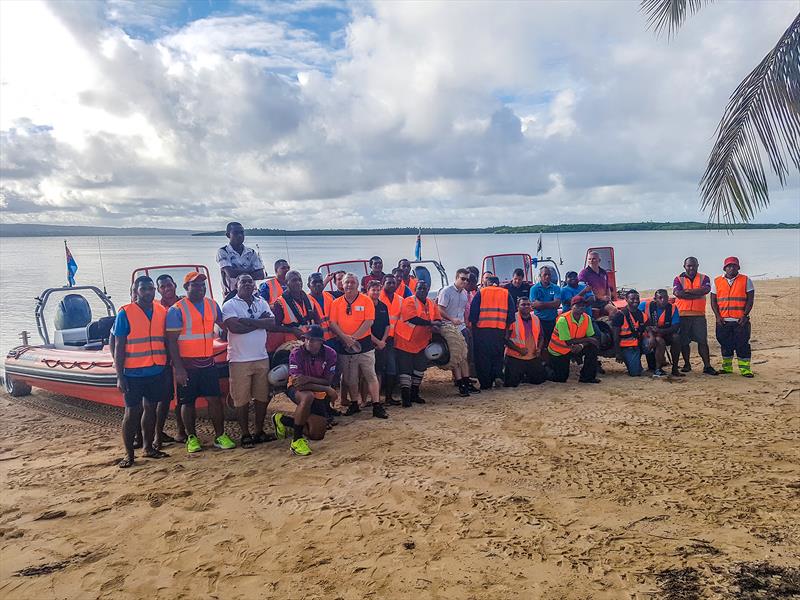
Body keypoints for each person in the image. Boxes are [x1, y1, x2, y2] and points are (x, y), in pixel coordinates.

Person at [166, 272, 236, 453]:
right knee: (187, 403)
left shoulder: (212, 305)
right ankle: (191, 437)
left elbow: (224, 326)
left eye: (202, 285)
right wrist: (179, 369)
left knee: (214, 400)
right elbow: (171, 341)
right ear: (186, 288)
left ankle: (220, 435)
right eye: (195, 285)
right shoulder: (177, 309)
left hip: (208, 363)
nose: (200, 288)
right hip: (187, 365)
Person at [112, 275, 171, 468]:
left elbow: (166, 340)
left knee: (151, 410)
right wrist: (119, 375)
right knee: (132, 412)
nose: (148, 292)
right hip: (133, 373)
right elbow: (119, 346)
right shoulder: (125, 313)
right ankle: (129, 454)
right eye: (143, 289)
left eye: (151, 288)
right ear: (135, 291)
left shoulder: (162, 310)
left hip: (156, 370)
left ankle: (148, 447)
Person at [221, 274, 276, 448]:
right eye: (242, 281)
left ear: (254, 285)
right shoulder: (229, 305)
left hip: (261, 357)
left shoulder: (261, 302)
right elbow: (234, 327)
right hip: (239, 359)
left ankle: (259, 431)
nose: (246, 284)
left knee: (261, 397)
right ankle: (245, 433)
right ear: (236, 285)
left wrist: (248, 321)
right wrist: (260, 322)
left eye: (250, 281)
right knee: (241, 399)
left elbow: (272, 323)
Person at [272, 325, 338, 456]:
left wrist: (308, 379)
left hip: (317, 391)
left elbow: (328, 380)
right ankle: (296, 441)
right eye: (306, 339)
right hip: (296, 389)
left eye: (313, 340)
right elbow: (299, 384)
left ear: (321, 342)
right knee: (307, 397)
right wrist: (327, 389)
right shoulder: (296, 353)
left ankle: (283, 420)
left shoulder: (330, 354)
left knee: (317, 434)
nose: (308, 342)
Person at [328, 273, 387, 418]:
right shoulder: (336, 303)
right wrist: (345, 338)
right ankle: (354, 403)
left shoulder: (366, 300)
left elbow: (369, 321)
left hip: (365, 345)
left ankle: (376, 405)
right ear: (342, 284)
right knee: (350, 379)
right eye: (347, 282)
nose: (349, 285)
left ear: (357, 284)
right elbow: (332, 323)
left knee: (370, 375)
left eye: (352, 282)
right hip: (345, 346)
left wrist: (353, 337)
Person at [394, 280, 441, 407]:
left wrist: (437, 325)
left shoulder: (431, 303)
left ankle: (415, 394)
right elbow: (412, 318)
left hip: (422, 342)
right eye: (419, 288)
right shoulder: (409, 301)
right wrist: (431, 324)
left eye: (424, 288)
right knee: (405, 370)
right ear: (415, 289)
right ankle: (406, 398)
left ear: (428, 289)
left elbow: (437, 318)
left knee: (419, 368)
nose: (422, 290)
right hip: (405, 340)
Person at [469, 276, 515, 390]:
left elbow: (473, 314)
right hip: (499, 330)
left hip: (482, 332)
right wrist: (506, 331)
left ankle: (486, 383)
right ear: (498, 283)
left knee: (482, 358)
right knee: (497, 355)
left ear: (487, 283)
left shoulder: (481, 293)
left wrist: (474, 328)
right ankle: (497, 376)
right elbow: (511, 315)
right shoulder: (506, 294)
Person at [711, 257, 755, 377]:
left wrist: (745, 315)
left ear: (738, 267)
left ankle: (745, 370)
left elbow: (750, 300)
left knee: (742, 345)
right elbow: (713, 301)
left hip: (740, 321)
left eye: (734, 266)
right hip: (723, 321)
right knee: (725, 344)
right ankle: (727, 368)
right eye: (729, 266)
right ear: (725, 268)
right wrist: (717, 317)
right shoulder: (716, 281)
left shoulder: (746, 280)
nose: (731, 268)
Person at [673, 257, 717, 375]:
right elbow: (677, 293)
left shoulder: (704, 278)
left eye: (693, 265)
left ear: (698, 265)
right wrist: (697, 292)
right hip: (682, 315)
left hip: (699, 316)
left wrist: (686, 292)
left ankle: (707, 366)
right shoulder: (678, 279)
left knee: (702, 341)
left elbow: (706, 290)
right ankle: (687, 364)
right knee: (684, 342)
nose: (691, 268)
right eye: (689, 266)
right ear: (684, 266)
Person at [155, 273, 185, 444]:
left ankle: (182, 431)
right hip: (164, 357)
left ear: (175, 284)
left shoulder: (184, 304)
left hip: (184, 354)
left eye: (169, 285)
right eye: (163, 286)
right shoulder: (157, 308)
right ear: (158, 290)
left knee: (181, 396)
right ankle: (158, 434)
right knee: (164, 398)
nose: (167, 289)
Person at [437, 268, 476, 396]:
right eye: (462, 279)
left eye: (467, 279)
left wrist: (465, 324)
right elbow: (440, 309)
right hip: (448, 326)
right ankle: (460, 383)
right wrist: (451, 319)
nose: (464, 281)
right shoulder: (446, 291)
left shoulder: (464, 293)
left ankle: (466, 381)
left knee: (464, 355)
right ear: (456, 277)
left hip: (461, 326)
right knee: (455, 356)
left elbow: (464, 311)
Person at [548, 296, 600, 383]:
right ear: (572, 307)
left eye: (583, 305)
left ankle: (587, 377)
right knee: (560, 378)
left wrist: (581, 345)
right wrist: (588, 339)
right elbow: (567, 341)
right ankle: (547, 367)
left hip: (575, 347)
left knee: (592, 348)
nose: (581, 307)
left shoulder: (587, 318)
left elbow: (592, 337)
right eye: (578, 305)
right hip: (559, 350)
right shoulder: (563, 319)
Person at [269, 270, 320, 353]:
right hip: (291, 346)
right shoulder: (280, 303)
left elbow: (317, 320)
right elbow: (274, 327)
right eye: (294, 280)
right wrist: (292, 330)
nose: (298, 283)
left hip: (310, 344)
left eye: (300, 280)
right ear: (286, 283)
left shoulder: (309, 299)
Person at [216, 222, 265, 299]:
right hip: (232, 294)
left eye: (242, 233)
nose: (240, 235)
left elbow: (261, 275)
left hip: (252, 294)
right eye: (235, 233)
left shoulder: (251, 252)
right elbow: (231, 273)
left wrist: (238, 272)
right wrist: (251, 270)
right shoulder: (223, 251)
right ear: (228, 235)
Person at [504, 297, 546, 387]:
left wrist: (539, 348)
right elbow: (505, 339)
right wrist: (519, 350)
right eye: (523, 304)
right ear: (517, 306)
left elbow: (541, 336)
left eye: (528, 304)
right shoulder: (512, 319)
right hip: (515, 357)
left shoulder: (536, 318)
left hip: (532, 356)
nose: (526, 306)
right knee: (511, 384)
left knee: (539, 380)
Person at [640, 289, 682, 378]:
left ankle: (675, 368)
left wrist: (661, 331)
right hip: (648, 335)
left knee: (676, 338)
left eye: (665, 298)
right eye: (660, 298)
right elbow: (637, 318)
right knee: (659, 340)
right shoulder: (645, 305)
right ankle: (658, 369)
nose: (663, 300)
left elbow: (676, 326)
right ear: (655, 299)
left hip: (665, 333)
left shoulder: (673, 308)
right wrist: (651, 334)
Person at [366, 280, 391, 403]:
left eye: (378, 290)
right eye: (373, 290)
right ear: (368, 291)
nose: (376, 292)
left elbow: (387, 325)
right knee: (366, 373)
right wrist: (376, 341)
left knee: (379, 371)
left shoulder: (383, 306)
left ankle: (376, 398)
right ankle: (364, 399)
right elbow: (366, 328)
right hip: (368, 344)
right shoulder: (365, 305)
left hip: (382, 344)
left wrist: (383, 341)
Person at [378, 274, 402, 403]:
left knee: (392, 367)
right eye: (389, 283)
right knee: (378, 368)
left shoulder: (400, 299)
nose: (392, 285)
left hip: (394, 339)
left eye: (394, 283)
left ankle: (388, 396)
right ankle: (376, 397)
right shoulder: (378, 297)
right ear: (383, 284)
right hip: (379, 339)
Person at [611, 289, 646, 376]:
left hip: (638, 344)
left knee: (653, 342)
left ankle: (652, 365)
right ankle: (633, 361)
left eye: (637, 299)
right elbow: (615, 336)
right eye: (632, 299)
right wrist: (618, 353)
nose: (635, 301)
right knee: (635, 373)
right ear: (626, 300)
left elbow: (647, 328)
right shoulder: (620, 315)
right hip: (626, 346)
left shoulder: (641, 314)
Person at [530, 266, 562, 348]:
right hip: (539, 321)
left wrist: (541, 304)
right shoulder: (534, 289)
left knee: (553, 343)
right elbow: (534, 305)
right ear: (540, 276)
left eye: (549, 275)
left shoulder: (556, 288)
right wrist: (551, 304)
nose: (547, 277)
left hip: (552, 321)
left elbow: (557, 304)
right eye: (544, 275)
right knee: (541, 343)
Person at [579, 251, 618, 317]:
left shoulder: (603, 272)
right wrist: (601, 298)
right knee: (613, 310)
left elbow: (607, 287)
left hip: (603, 300)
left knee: (618, 313)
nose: (591, 261)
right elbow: (584, 290)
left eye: (594, 259)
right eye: (589, 259)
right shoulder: (584, 273)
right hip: (592, 300)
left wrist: (609, 299)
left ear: (599, 260)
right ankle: (611, 326)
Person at [307, 272, 335, 342]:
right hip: (318, 341)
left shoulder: (330, 297)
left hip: (335, 337)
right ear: (308, 285)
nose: (318, 284)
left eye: (320, 282)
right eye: (314, 282)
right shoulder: (306, 301)